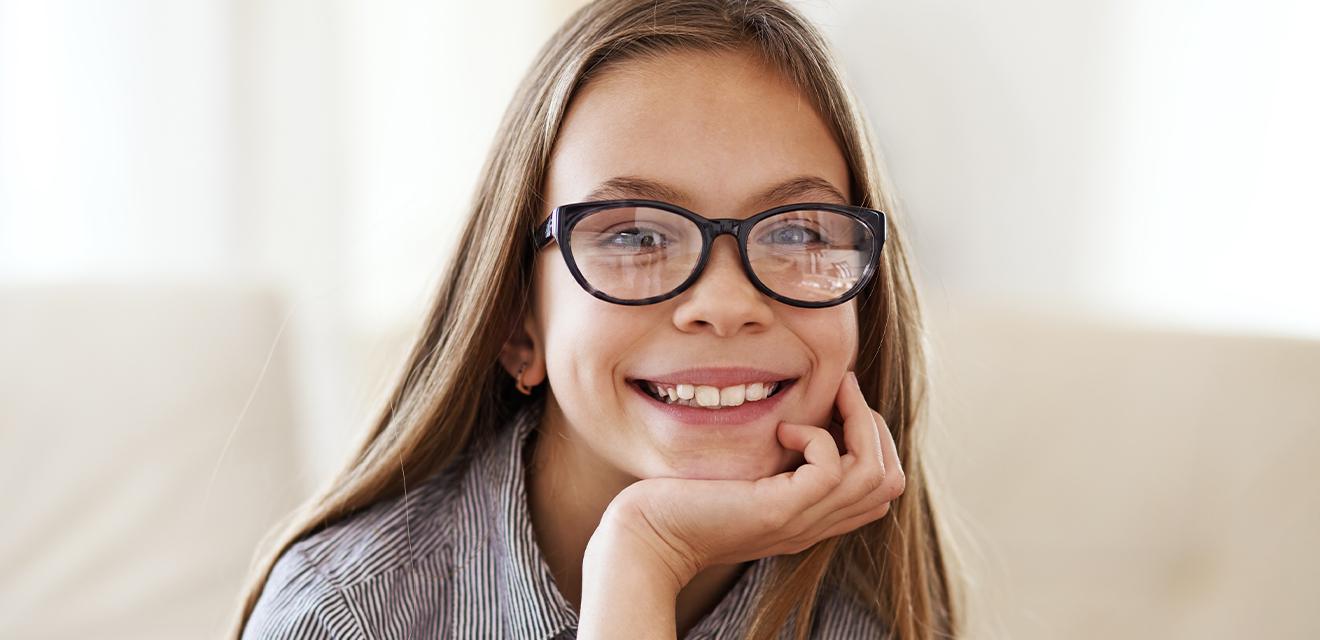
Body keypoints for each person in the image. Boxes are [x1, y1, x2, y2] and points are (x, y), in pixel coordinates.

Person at [232, 0, 959, 638]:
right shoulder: (342, 616)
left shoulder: (863, 614)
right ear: (519, 325)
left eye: (799, 232)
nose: (727, 304)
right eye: (636, 236)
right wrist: (644, 555)